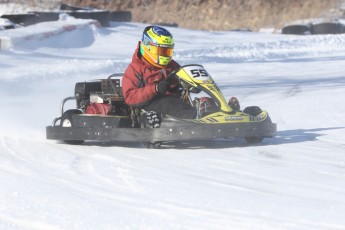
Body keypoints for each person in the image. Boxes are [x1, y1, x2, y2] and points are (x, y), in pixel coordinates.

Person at [122, 25, 196, 119]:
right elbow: (130, 97)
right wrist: (155, 88)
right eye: (161, 51)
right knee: (169, 103)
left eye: (167, 51)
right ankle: (192, 123)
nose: (164, 55)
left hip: (174, 103)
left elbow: (184, 78)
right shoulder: (135, 68)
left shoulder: (172, 66)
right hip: (149, 105)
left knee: (203, 102)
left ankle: (210, 119)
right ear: (148, 47)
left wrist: (192, 84)